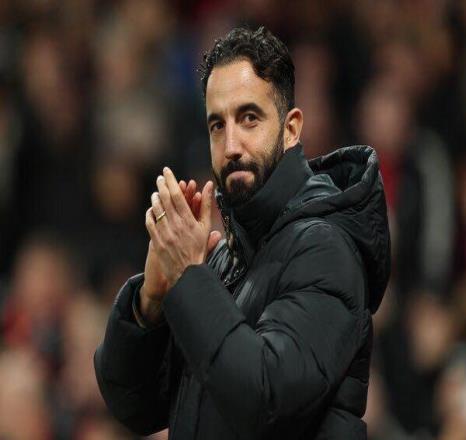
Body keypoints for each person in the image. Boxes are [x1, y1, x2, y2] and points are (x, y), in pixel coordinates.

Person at [94, 26, 391, 440]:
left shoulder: (326, 247)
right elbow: (134, 406)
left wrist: (189, 278)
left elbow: (265, 399)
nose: (231, 145)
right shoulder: (221, 261)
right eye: (217, 125)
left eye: (249, 118)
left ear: (291, 129)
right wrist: (152, 300)